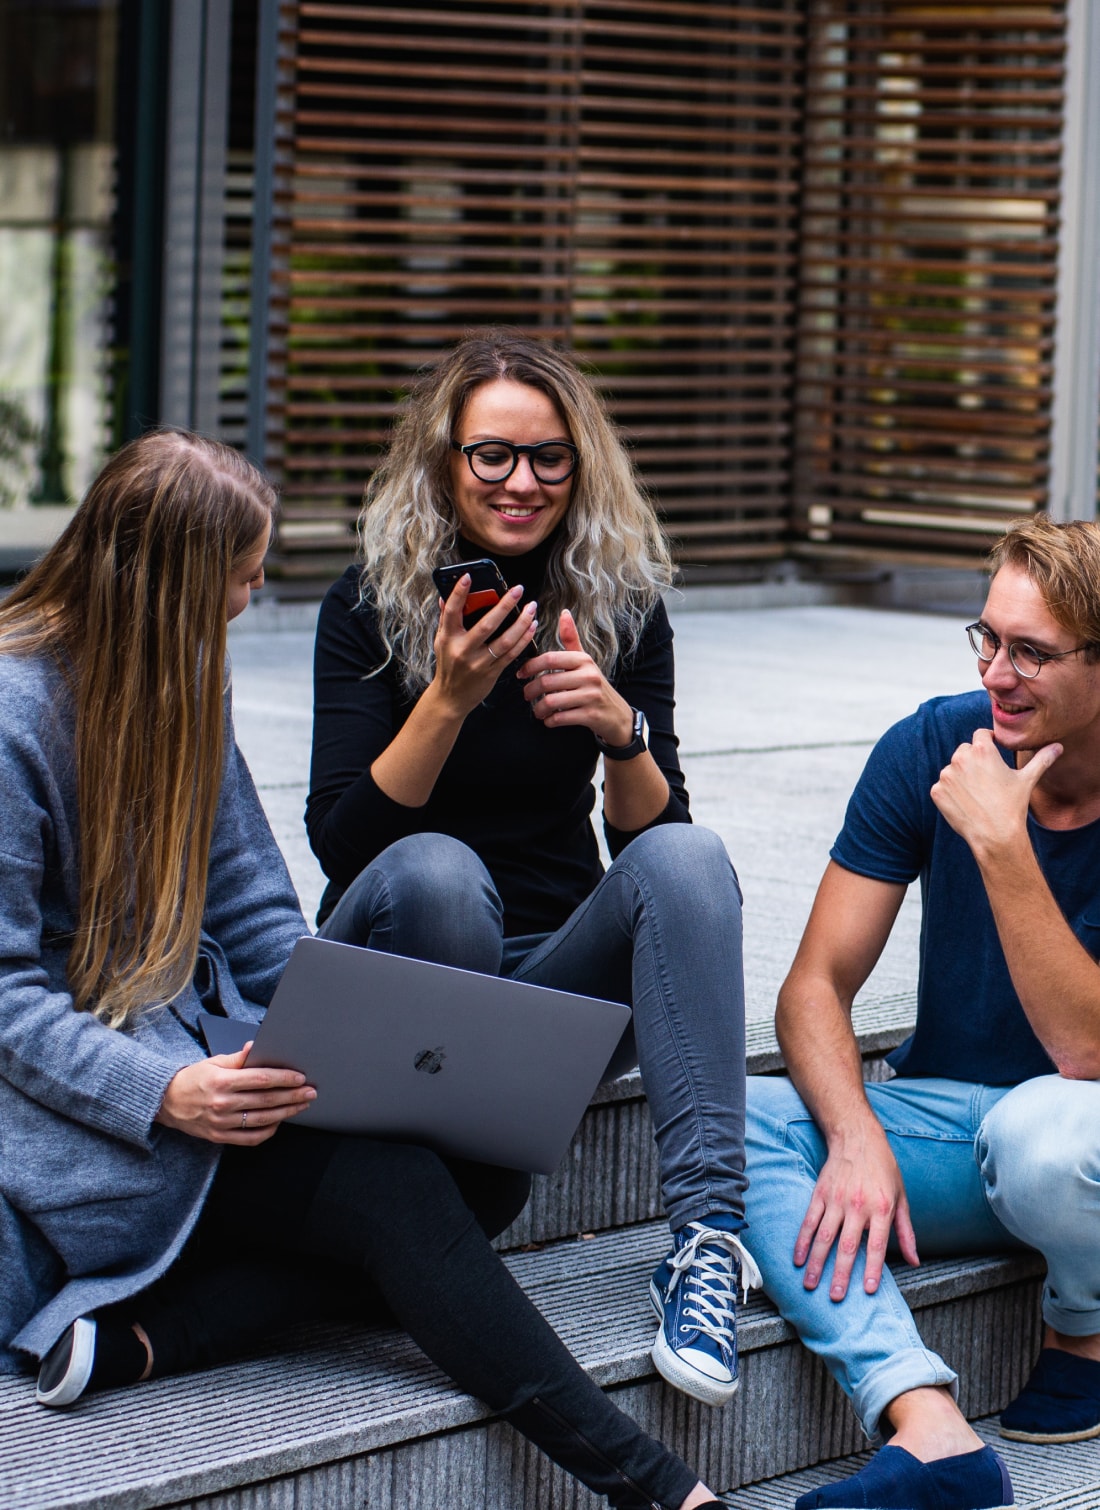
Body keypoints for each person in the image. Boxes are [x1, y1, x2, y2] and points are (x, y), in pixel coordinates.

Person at [0, 428, 728, 1510]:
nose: (251, 597)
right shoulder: (15, 714)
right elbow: (6, 993)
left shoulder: (179, 682)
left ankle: (153, 1335)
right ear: (171, 581)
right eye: (241, 577)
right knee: (396, 1195)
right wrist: (165, 1090)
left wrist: (308, 1039)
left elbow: (252, 906)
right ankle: (660, 1488)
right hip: (99, 1115)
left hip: (210, 1067)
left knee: (476, 1180)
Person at [306, 328, 757, 1413]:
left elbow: (657, 851)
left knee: (689, 858)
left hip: (549, 991)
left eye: (548, 456)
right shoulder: (367, 606)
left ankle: (704, 1242)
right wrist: (448, 698)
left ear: (580, 463)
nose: (521, 482)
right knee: (438, 873)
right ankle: (429, 1206)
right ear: (443, 461)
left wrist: (620, 731)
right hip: (405, 966)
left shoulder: (619, 604)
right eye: (491, 455)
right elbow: (343, 844)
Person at [742, 513, 1100, 1510]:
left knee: (1043, 1133)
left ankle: (1085, 1320)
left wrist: (1002, 846)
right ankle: (927, 1425)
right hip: (950, 1124)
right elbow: (812, 984)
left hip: (1080, 1136)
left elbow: (1085, 1048)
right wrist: (854, 1131)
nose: (994, 673)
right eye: (985, 638)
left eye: (1029, 651)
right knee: (733, 1119)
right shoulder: (934, 740)